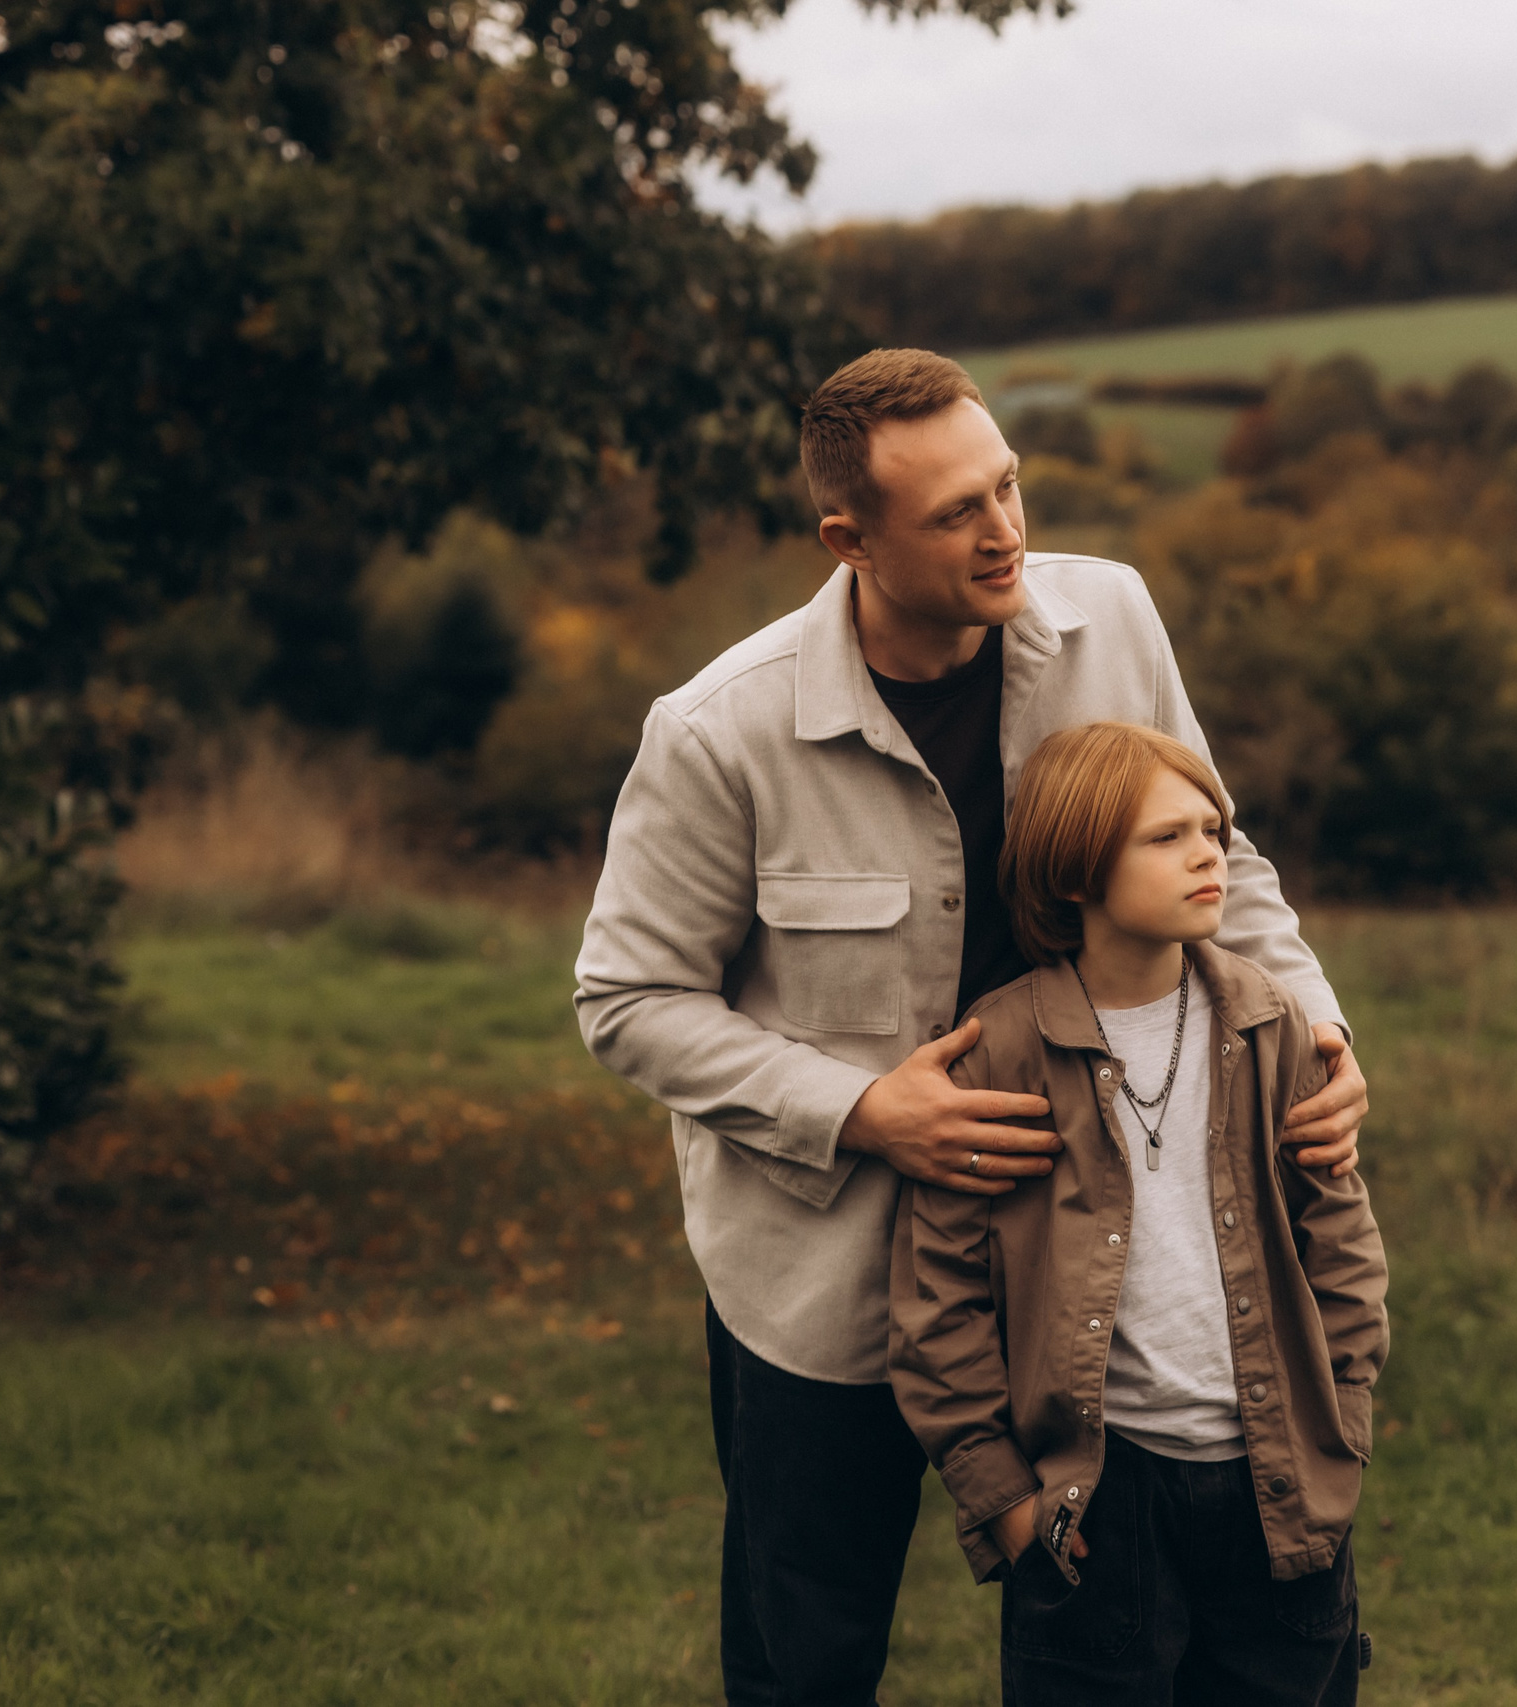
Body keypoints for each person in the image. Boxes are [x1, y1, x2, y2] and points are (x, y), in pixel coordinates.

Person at [573, 349, 1369, 1707]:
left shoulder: (1111, 617)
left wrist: (1318, 1033)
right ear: (851, 540)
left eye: (1007, 485)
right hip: (821, 1281)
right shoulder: (718, 731)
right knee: (805, 1658)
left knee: (1116, 1638)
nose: (1006, 530)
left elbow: (1218, 858)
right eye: (956, 512)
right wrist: (865, 1109)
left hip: (1090, 1256)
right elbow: (628, 1001)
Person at [892, 722, 1387, 1707]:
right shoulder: (998, 1050)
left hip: (1276, 1492)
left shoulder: (1274, 1024)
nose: (1208, 853)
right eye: (1167, 837)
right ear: (1075, 866)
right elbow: (936, 1298)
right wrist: (1007, 1502)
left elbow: (1342, 1249)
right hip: (1090, 1505)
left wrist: (1344, 1432)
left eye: (1214, 828)